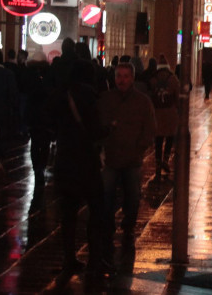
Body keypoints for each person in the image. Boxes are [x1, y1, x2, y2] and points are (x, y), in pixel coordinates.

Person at [49, 58, 107, 278]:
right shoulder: (91, 97)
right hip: (86, 161)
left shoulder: (62, 94)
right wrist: (108, 130)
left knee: (68, 213)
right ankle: (95, 259)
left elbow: (47, 117)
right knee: (97, 209)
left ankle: (69, 258)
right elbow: (94, 130)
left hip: (65, 160)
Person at [98, 61, 155, 271]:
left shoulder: (142, 101)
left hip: (132, 158)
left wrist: (139, 147)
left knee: (133, 196)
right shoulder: (106, 99)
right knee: (107, 195)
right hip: (112, 158)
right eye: (119, 76)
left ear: (132, 78)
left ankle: (128, 226)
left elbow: (149, 128)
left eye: (125, 76)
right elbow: (100, 125)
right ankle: (108, 227)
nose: (122, 80)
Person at [148, 54, 181, 183]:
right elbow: (177, 96)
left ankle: (157, 162)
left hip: (156, 112)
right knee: (169, 137)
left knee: (158, 139)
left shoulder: (153, 79)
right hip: (170, 112)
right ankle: (166, 160)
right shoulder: (173, 79)